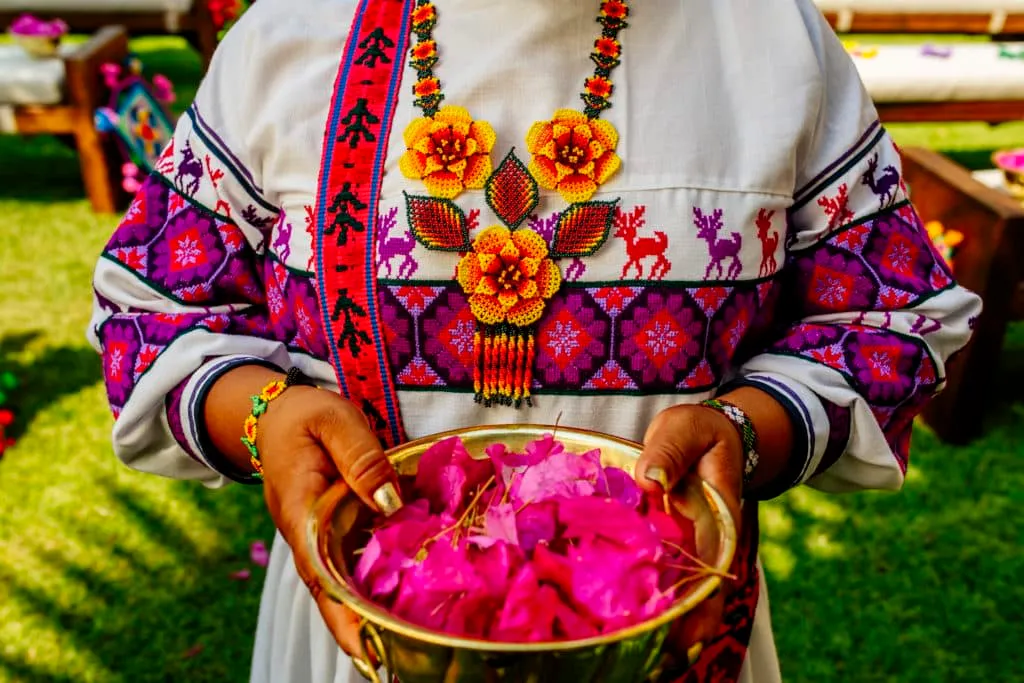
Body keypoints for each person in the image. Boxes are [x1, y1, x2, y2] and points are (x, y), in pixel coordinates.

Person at [87, 0, 981, 680]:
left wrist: (747, 432)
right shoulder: (293, 36)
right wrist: (269, 423)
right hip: (357, 645)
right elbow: (153, 312)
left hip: (668, 635)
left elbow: (887, 317)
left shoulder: (766, 41)